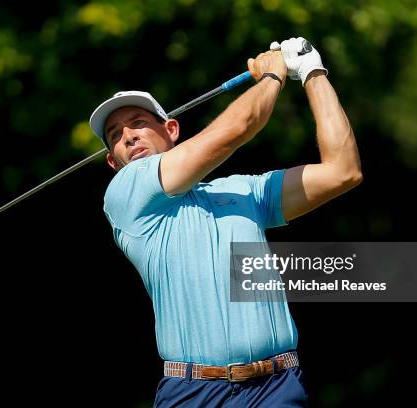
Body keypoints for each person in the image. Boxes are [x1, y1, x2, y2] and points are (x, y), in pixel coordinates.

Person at [89, 37, 362, 407]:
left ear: (171, 130)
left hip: (277, 388)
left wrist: (313, 72)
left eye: (138, 123)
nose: (128, 136)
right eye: (115, 136)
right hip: (195, 392)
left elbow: (342, 171)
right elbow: (237, 128)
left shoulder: (242, 190)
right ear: (112, 162)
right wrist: (272, 77)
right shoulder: (125, 193)